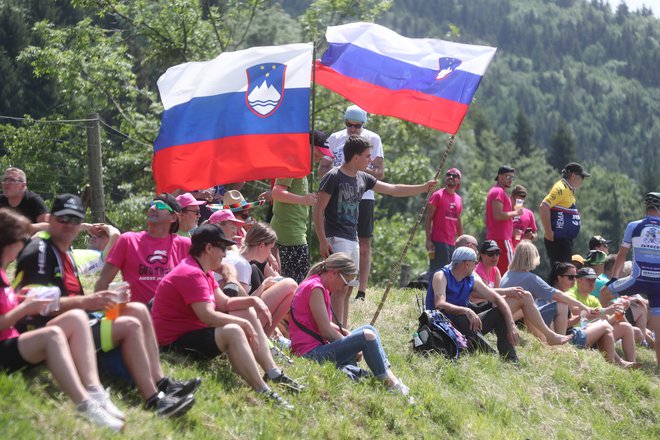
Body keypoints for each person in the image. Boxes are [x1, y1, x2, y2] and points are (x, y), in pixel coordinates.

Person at [15, 194, 199, 417]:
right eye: (63, 220)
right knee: (131, 324)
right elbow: (31, 303)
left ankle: (162, 383)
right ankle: (154, 400)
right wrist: (92, 301)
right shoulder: (41, 250)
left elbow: (101, 261)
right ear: (50, 220)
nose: (70, 226)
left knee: (137, 310)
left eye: (75, 221)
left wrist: (109, 298)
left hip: (83, 318)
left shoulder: (66, 253)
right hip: (59, 329)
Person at [0, 208, 124, 432]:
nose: (23, 246)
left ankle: (95, 391)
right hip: (4, 349)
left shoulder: (2, 273)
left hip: (16, 340)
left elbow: (33, 230)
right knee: (53, 335)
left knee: (76, 317)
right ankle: (84, 404)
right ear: (8, 244)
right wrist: (26, 307)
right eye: (20, 241)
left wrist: (19, 300)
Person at [151, 224, 301, 409]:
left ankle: (273, 372)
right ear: (208, 248)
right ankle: (263, 390)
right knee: (234, 331)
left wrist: (252, 302)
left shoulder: (202, 270)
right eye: (222, 248)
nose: (225, 253)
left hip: (190, 333)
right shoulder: (190, 273)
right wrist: (243, 324)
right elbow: (207, 316)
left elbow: (224, 303)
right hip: (172, 344)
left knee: (247, 311)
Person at [314, 136, 436, 327]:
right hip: (336, 238)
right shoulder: (333, 176)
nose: (370, 160)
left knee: (347, 288)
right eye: (367, 156)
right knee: (338, 288)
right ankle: (334, 331)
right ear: (355, 157)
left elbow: (393, 189)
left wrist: (423, 188)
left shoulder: (363, 177)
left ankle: (342, 329)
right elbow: (318, 209)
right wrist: (322, 240)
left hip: (352, 237)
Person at [289, 253, 411, 397]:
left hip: (317, 347)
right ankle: (390, 385)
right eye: (346, 281)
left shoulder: (317, 285)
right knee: (367, 336)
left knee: (369, 328)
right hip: (309, 354)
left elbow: (323, 323)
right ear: (334, 273)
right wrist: (351, 345)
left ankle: (390, 378)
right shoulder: (315, 289)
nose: (345, 287)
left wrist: (345, 333)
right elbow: (325, 330)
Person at [319, 105, 385, 302]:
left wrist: (356, 172)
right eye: (349, 125)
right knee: (337, 239)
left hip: (363, 195)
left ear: (363, 125)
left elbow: (380, 172)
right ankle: (331, 285)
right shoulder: (335, 138)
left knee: (363, 242)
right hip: (338, 193)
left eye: (357, 126)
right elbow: (323, 167)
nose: (353, 129)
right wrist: (339, 173)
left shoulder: (373, 139)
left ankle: (361, 291)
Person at [426, 247, 521, 362]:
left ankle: (510, 359)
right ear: (467, 264)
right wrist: (466, 310)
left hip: (464, 326)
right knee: (462, 317)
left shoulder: (472, 279)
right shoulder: (441, 276)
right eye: (475, 263)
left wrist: (511, 325)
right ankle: (489, 352)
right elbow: (440, 304)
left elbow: (497, 299)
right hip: (442, 325)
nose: (476, 266)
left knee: (498, 313)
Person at [95, 193, 190, 305]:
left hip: (171, 317)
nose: (153, 208)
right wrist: (99, 310)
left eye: (160, 206)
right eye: (152, 204)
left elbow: (209, 272)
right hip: (137, 316)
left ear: (173, 217)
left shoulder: (185, 245)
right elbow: (103, 280)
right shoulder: (128, 240)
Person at [601, 192, 660, 364]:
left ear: (646, 207)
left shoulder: (634, 226)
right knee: (658, 326)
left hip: (637, 278)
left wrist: (614, 279)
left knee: (605, 293)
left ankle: (601, 329)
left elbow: (621, 255)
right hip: (658, 283)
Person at [271, 131, 333, 283]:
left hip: (295, 232)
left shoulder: (302, 167)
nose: (319, 157)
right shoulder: (293, 162)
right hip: (289, 235)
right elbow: (277, 192)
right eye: (317, 152)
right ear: (307, 145)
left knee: (291, 283)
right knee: (295, 284)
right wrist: (303, 199)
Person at [500, 240, 596, 336]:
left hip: (505, 316)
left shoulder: (507, 274)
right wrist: (582, 306)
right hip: (517, 318)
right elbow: (558, 295)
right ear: (533, 258)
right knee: (562, 305)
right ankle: (560, 339)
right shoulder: (529, 278)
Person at [223, 222, 297, 337]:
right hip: (234, 319)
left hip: (230, 315)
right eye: (270, 249)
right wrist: (263, 286)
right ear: (261, 246)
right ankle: (264, 337)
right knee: (290, 284)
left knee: (290, 293)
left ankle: (267, 336)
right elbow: (242, 303)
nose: (269, 254)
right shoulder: (243, 265)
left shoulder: (233, 255)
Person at [568, 267, 638, 366]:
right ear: (579, 280)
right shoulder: (571, 294)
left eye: (594, 279)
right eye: (589, 279)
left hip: (595, 335)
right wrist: (606, 310)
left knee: (626, 327)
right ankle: (617, 363)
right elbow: (576, 311)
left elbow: (609, 320)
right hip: (579, 335)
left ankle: (632, 363)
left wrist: (621, 311)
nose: (592, 283)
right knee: (604, 326)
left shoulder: (593, 299)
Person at [539, 162, 590, 264]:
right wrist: (548, 232)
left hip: (564, 239)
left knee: (564, 271)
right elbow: (544, 206)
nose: (583, 180)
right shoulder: (561, 188)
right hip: (558, 239)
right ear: (573, 176)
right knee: (560, 273)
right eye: (582, 177)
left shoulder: (568, 189)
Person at [425, 167, 463, 275]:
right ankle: (433, 292)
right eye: (449, 174)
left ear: (459, 181)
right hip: (438, 242)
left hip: (452, 243)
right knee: (438, 273)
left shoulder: (458, 199)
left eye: (455, 176)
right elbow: (428, 219)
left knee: (450, 273)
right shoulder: (437, 195)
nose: (451, 177)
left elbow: (458, 221)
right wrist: (428, 240)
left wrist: (462, 241)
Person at [485, 166, 522, 274]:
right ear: (500, 177)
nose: (510, 179)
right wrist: (516, 213)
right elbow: (498, 215)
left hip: (498, 237)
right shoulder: (498, 192)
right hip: (502, 238)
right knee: (511, 271)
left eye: (512, 177)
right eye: (508, 176)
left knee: (498, 272)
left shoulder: (497, 191)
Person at [0, 167, 49, 233]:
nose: (6, 183)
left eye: (11, 180)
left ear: (23, 185)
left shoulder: (34, 201)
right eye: (5, 179)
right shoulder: (1, 200)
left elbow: (48, 225)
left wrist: (27, 227)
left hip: (29, 240)